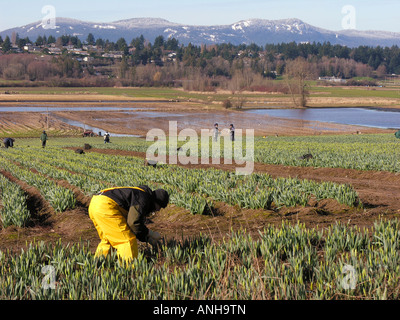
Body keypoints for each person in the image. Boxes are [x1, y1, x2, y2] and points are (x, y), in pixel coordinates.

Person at [88, 185, 169, 263]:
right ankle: (129, 270)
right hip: (105, 206)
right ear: (156, 201)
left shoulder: (139, 193)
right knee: (127, 240)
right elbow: (134, 222)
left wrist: (146, 238)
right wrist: (149, 233)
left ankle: (98, 264)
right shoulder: (143, 198)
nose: (158, 210)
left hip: (95, 203)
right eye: (160, 207)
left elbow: (133, 223)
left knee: (109, 239)